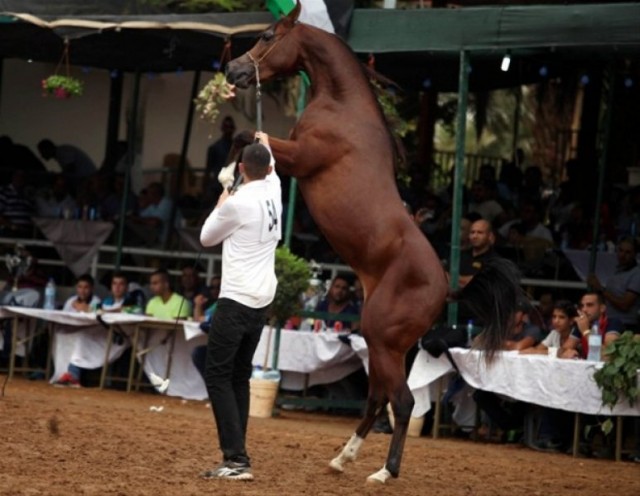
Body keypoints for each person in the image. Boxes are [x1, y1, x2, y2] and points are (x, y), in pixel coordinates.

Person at [198, 131, 282, 481]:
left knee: (218, 376)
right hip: (260, 301)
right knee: (238, 377)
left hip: (236, 300)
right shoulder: (275, 189)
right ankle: (237, 456)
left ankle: (236, 459)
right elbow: (271, 167)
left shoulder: (237, 201)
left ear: (242, 167)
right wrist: (266, 142)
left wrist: (224, 192)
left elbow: (206, 237)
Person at [53, 274, 102, 387]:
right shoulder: (71, 301)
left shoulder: (96, 302)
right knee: (55, 334)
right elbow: (63, 318)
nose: (82, 290)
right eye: (80, 287)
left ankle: (72, 375)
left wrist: (85, 309)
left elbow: (97, 318)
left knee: (80, 339)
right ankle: (60, 373)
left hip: (89, 335)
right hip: (70, 331)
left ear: (91, 289)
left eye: (86, 287)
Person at [586, 236, 640, 333]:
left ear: (635, 254)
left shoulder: (637, 274)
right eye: (621, 250)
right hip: (608, 321)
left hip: (625, 325)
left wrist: (601, 289)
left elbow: (625, 304)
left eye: (628, 252)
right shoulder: (617, 271)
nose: (623, 255)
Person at [567, 291, 622, 360]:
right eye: (582, 306)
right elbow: (564, 349)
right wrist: (566, 353)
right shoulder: (582, 323)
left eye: (589, 305)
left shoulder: (613, 323)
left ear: (602, 308)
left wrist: (586, 331)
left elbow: (608, 356)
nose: (584, 310)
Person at [204, 116, 237, 201]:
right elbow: (208, 170)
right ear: (222, 128)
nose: (229, 130)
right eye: (227, 127)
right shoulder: (215, 147)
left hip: (232, 184)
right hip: (217, 186)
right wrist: (205, 189)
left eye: (231, 127)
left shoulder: (237, 148)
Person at [0, 169, 35, 237]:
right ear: (13, 177)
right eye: (18, 175)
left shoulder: (28, 194)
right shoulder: (4, 192)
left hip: (27, 233)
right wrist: (12, 226)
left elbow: (33, 213)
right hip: (10, 232)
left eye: (23, 176)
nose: (20, 178)